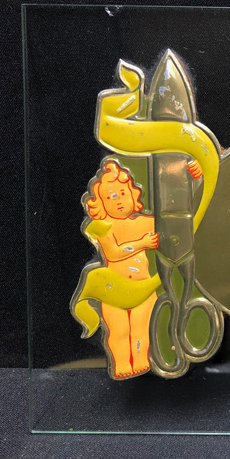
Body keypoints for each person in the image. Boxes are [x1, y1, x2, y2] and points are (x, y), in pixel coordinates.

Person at [85, 161, 159, 378]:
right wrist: (141, 244)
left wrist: (194, 176)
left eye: (122, 193)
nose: (118, 200)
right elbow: (113, 253)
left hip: (142, 289)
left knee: (141, 328)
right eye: (110, 197)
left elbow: (173, 221)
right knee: (118, 331)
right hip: (113, 291)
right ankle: (121, 364)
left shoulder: (144, 222)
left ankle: (141, 360)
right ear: (100, 203)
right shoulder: (103, 227)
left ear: (133, 196)